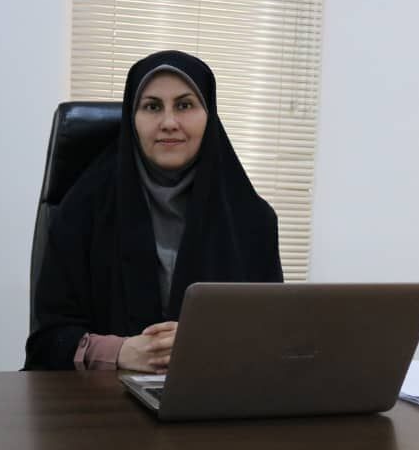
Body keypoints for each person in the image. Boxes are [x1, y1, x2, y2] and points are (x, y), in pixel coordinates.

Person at [24, 51, 283, 372]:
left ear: (209, 115)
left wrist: (207, 342)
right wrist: (119, 351)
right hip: (103, 396)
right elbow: (47, 342)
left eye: (185, 105)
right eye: (152, 106)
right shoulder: (81, 210)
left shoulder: (253, 221)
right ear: (132, 118)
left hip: (214, 393)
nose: (169, 123)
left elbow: (273, 336)